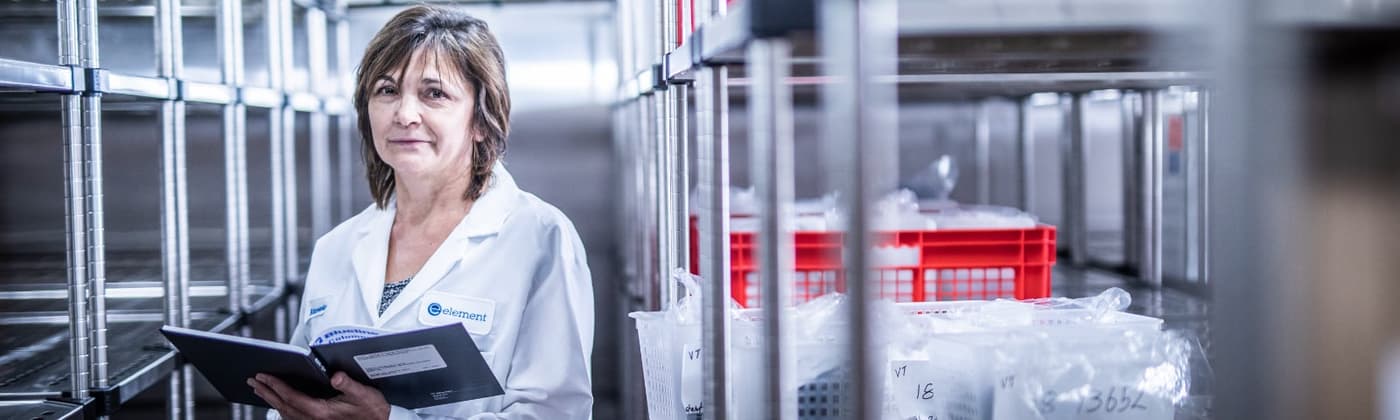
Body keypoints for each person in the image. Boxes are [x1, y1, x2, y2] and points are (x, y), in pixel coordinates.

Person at [246, 5, 594, 419]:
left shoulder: (540, 238)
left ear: (481, 120)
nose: (405, 115)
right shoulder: (335, 248)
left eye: (434, 94)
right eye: (387, 90)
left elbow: (554, 414)